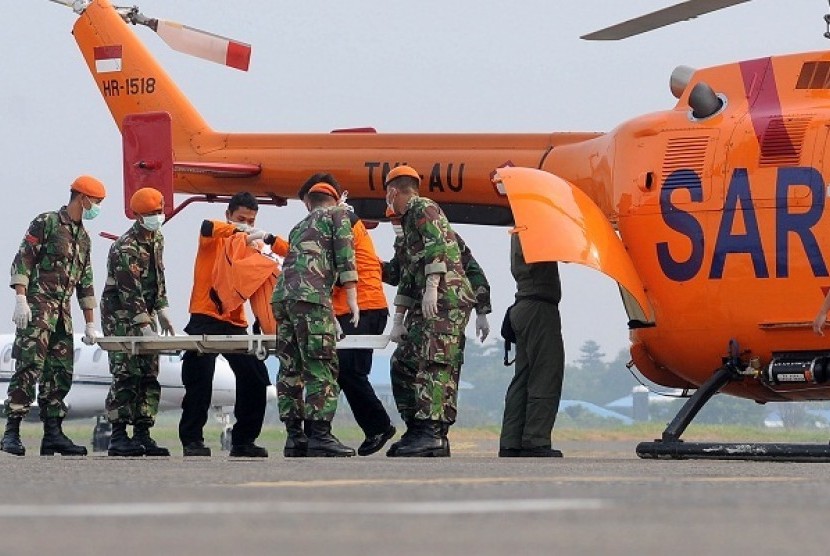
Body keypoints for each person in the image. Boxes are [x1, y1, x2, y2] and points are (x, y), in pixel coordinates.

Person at [1, 175, 106, 456]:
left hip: (63, 313)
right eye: (96, 201)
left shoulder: (84, 238)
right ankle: (11, 431)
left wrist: (91, 322)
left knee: (60, 373)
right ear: (81, 197)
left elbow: (85, 281)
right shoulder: (46, 222)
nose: (97, 207)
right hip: (37, 307)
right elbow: (23, 258)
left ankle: (53, 434)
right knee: (29, 367)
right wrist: (20, 298)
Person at [178, 192, 285, 458]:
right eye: (241, 219)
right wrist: (239, 231)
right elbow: (207, 226)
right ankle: (192, 440)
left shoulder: (253, 247)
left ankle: (244, 440)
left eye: (251, 220)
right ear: (229, 216)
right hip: (204, 316)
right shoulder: (213, 238)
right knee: (198, 381)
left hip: (235, 320)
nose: (247, 224)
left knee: (256, 378)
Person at [298, 173, 395, 457]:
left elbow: (330, 263)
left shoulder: (342, 221)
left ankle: (377, 425)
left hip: (363, 306)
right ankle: (316, 432)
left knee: (348, 371)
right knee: (336, 370)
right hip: (350, 308)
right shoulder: (340, 221)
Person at [383, 208, 491, 456]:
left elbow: (472, 269)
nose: (396, 225)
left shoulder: (442, 235)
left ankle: (432, 433)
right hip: (423, 307)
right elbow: (399, 275)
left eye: (396, 219)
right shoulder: (406, 240)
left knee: (435, 363)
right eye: (392, 222)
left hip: (447, 303)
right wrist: (364, 262)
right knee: (402, 363)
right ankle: (417, 429)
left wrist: (482, 310)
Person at [272, 181, 359, 457]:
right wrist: (352, 299)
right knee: (321, 364)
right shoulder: (338, 216)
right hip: (311, 298)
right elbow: (345, 256)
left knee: (290, 367)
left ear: (309, 203)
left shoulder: (298, 227)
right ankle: (320, 435)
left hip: (283, 298)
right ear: (333, 201)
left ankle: (294, 436)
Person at [102, 188, 174, 457]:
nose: (158, 217)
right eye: (152, 213)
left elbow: (158, 276)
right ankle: (119, 435)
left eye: (159, 211)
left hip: (146, 313)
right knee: (126, 373)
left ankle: (143, 433)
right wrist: (144, 324)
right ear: (139, 215)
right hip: (120, 317)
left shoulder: (156, 238)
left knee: (148, 373)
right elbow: (129, 290)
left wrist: (163, 307)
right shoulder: (124, 247)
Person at [498, 231, 565, 458]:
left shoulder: (519, 227)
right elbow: (562, 250)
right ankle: (536, 440)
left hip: (524, 305)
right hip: (539, 308)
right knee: (546, 374)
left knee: (523, 378)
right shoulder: (535, 225)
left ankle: (511, 441)